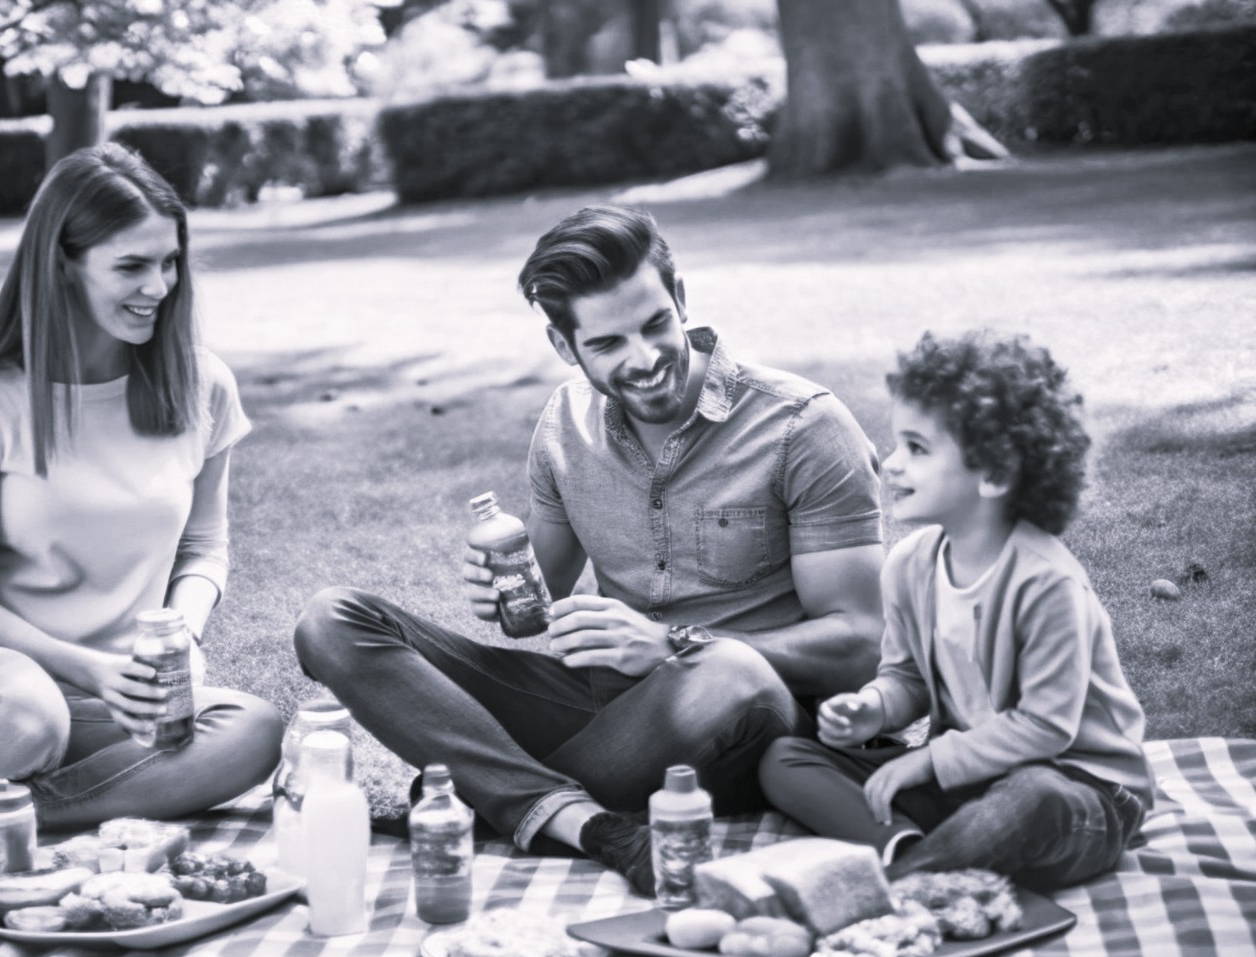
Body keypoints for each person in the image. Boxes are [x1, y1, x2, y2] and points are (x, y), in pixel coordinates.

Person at [294, 205, 884, 894]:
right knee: (330, 619)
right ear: (563, 343)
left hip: (750, 719)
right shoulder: (564, 426)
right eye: (607, 343)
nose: (645, 359)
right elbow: (539, 600)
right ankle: (585, 821)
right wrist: (502, 589)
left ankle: (485, 787)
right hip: (605, 712)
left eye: (656, 324)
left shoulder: (801, 426)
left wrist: (672, 642)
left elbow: (859, 644)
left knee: (728, 669)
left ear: (680, 299)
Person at [0, 144, 282, 855]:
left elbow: (204, 547)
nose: (160, 286)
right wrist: (86, 667)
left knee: (253, 729)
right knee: (31, 717)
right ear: (62, 265)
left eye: (170, 262)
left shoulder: (203, 386)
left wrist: (183, 637)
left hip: (121, 689)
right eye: (131, 265)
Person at [759, 331, 1153, 889]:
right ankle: (917, 851)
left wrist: (924, 763)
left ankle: (904, 887)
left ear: (992, 472)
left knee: (1030, 796)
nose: (891, 464)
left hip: (1083, 792)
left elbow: (1045, 728)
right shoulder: (911, 564)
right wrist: (872, 708)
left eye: (916, 449)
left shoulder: (1047, 582)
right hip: (970, 777)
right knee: (786, 760)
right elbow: (905, 678)